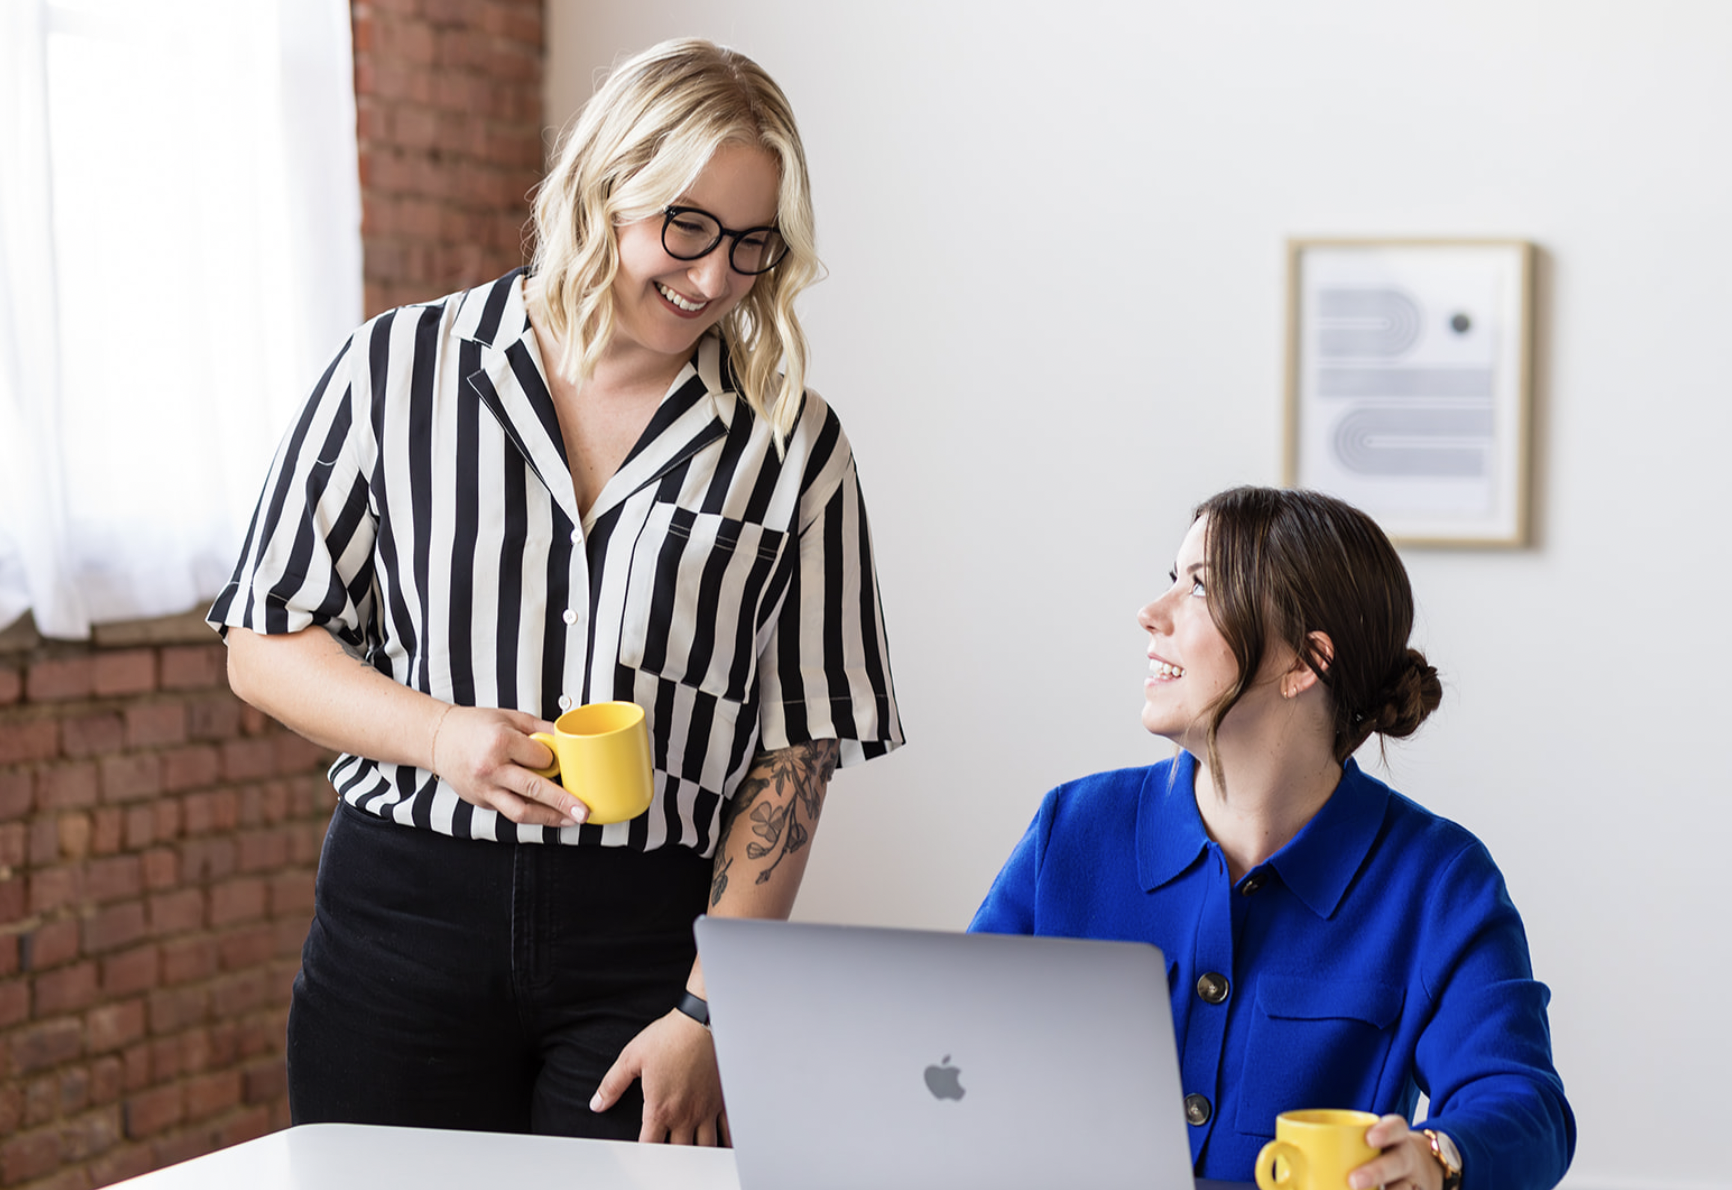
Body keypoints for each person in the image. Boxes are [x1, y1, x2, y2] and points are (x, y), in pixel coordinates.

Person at [208, 38, 902, 1145]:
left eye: (751, 245)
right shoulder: (394, 372)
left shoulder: (791, 446)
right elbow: (264, 636)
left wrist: (708, 1006)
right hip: (398, 920)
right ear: (603, 187)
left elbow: (798, 747)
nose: (715, 276)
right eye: (686, 227)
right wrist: (440, 734)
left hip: (646, 941)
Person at [971, 487, 1573, 1190]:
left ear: (1304, 663)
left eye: (1199, 587)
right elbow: (951, 1046)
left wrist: (1438, 1157)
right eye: (1174, 579)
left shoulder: (1440, 881)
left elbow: (1525, 1105)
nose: (1152, 613)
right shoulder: (1070, 831)